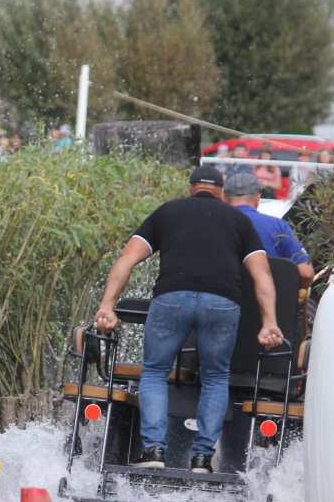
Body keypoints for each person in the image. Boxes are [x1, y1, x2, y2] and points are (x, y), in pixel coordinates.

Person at [92, 165, 283, 473]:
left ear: (191, 188)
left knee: (154, 371)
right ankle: (202, 458)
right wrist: (269, 322)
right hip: (222, 304)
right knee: (216, 376)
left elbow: (126, 259)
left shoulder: (167, 211)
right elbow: (262, 275)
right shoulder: (239, 220)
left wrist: (107, 306)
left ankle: (154, 449)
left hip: (172, 298)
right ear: (222, 193)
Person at [223, 173, 314, 289]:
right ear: (258, 197)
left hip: (221, 301)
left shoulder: (213, 223)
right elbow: (306, 273)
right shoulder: (279, 226)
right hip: (268, 301)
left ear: (224, 198)